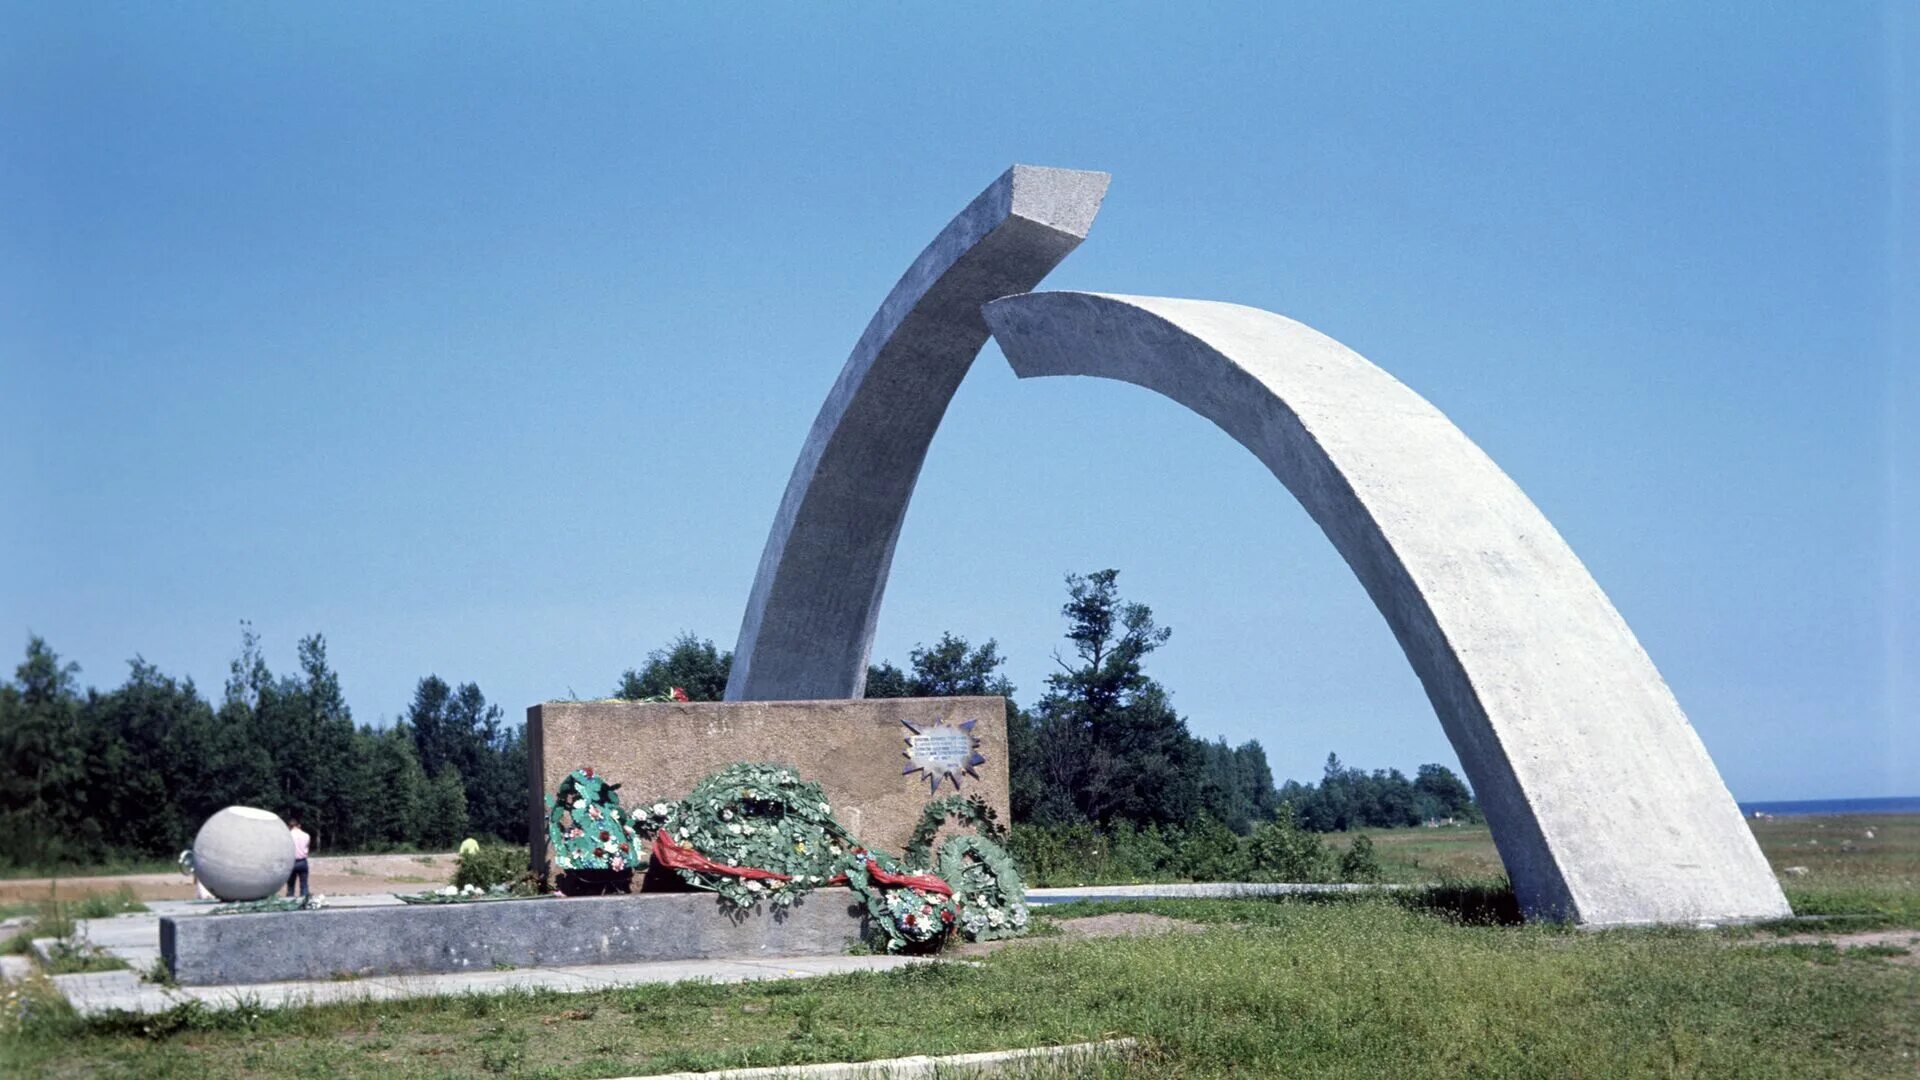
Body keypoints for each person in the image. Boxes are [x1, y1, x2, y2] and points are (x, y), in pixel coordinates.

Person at [286, 815, 311, 898]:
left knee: (290, 886)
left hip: (291, 862)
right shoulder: (306, 835)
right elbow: (307, 847)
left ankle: (290, 900)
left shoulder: (287, 835)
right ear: (298, 825)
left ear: (289, 826)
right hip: (303, 861)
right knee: (304, 885)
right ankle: (304, 901)